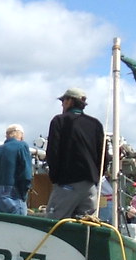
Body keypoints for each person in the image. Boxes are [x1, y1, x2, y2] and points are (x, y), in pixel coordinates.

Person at [45, 87, 106, 219]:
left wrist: (56, 178)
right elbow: (104, 157)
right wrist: (95, 177)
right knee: (87, 226)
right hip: (90, 186)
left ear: (69, 101)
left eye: (63, 101)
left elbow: (52, 152)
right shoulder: (96, 124)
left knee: (53, 225)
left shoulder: (59, 121)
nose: (62, 104)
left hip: (67, 184)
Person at [0, 124, 32, 215]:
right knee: (18, 227)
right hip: (14, 197)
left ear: (7, 135)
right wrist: (23, 195)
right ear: (20, 135)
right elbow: (26, 174)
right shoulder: (22, 146)